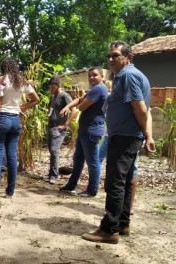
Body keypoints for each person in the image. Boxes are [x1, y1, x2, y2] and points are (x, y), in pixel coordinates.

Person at [82, 41, 155, 244]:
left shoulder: (128, 75)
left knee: (114, 182)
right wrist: (147, 135)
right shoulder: (133, 75)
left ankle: (109, 229)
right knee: (126, 180)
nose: (111, 59)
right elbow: (146, 110)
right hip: (129, 136)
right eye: (109, 56)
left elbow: (140, 108)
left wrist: (146, 135)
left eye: (115, 55)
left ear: (128, 57)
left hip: (125, 136)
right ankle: (122, 223)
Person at [0, 57, 40, 199]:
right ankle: (10, 192)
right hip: (15, 120)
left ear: (3, 68)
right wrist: (22, 108)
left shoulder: (1, 80)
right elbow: (36, 99)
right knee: (12, 157)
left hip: (1, 119)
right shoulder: (22, 81)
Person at [59, 67, 108, 197]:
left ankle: (92, 190)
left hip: (92, 130)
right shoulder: (94, 89)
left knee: (93, 161)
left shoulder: (98, 89)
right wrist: (68, 106)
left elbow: (82, 106)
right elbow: (80, 99)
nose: (91, 78)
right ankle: (71, 185)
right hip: (86, 130)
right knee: (78, 159)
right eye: (89, 75)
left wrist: (76, 106)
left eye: (95, 75)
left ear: (102, 76)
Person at [46, 76, 77, 184]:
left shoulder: (65, 96)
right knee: (51, 151)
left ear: (59, 86)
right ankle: (51, 173)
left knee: (54, 150)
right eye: (50, 87)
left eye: (53, 87)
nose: (51, 89)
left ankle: (54, 176)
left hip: (59, 129)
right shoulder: (53, 96)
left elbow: (74, 110)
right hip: (51, 127)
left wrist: (65, 124)